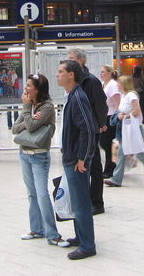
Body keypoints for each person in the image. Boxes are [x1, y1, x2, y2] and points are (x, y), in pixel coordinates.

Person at [13, 74, 70, 247]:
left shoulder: (47, 108)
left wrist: (26, 114)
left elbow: (29, 126)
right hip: (24, 154)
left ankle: (52, 234)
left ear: (38, 89)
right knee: (31, 194)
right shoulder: (29, 106)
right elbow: (16, 128)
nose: (26, 88)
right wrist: (27, 118)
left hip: (39, 156)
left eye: (29, 85)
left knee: (42, 194)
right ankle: (36, 229)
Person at [55, 59, 96, 260]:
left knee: (81, 204)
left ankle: (88, 245)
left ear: (71, 75)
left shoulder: (78, 97)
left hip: (77, 161)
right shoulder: (71, 96)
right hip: (71, 157)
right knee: (76, 201)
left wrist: (83, 157)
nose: (57, 75)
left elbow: (88, 129)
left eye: (60, 71)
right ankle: (81, 237)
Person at [67, 48, 108, 217]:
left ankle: (97, 203)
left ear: (81, 61)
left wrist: (99, 124)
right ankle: (87, 201)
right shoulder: (76, 81)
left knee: (95, 165)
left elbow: (100, 104)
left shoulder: (90, 81)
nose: (68, 62)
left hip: (90, 129)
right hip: (80, 130)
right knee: (87, 164)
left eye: (72, 59)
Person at [105, 75, 144, 188]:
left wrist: (123, 116)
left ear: (124, 84)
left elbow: (137, 111)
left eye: (119, 83)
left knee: (138, 152)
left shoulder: (131, 95)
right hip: (126, 129)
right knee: (123, 153)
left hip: (132, 128)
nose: (117, 85)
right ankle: (117, 179)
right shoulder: (125, 95)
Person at [99, 65, 120, 179]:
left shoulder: (113, 85)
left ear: (110, 73)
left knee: (109, 144)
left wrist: (117, 119)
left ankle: (110, 168)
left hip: (112, 116)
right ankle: (111, 167)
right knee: (105, 143)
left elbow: (117, 104)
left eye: (103, 72)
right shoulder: (104, 85)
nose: (101, 74)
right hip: (105, 116)